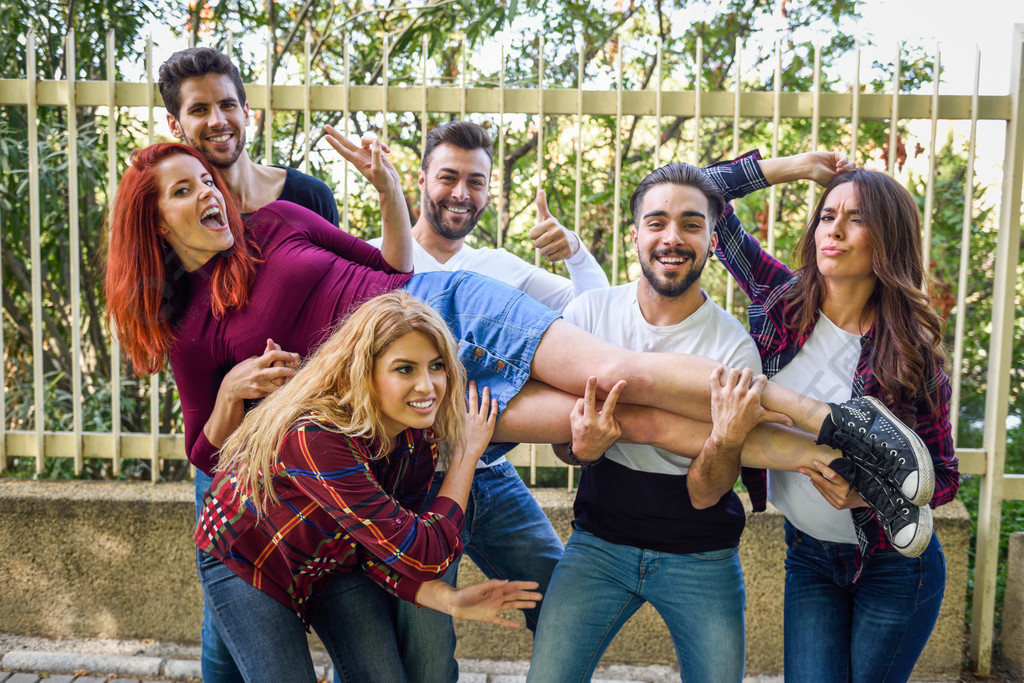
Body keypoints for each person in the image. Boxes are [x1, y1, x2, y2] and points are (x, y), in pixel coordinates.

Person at [103, 141, 934, 613]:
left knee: (619, 371)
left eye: (209, 182)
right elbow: (207, 452)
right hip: (416, 394)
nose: (211, 195)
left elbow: (394, 264)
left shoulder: (277, 221)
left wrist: (390, 191)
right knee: (630, 416)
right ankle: (834, 455)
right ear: (154, 217)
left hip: (447, 306)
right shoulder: (189, 329)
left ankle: (836, 426)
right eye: (185, 191)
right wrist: (229, 395)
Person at [195, 290, 542, 683]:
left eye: (437, 366)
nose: (427, 387)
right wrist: (465, 455)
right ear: (364, 371)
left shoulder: (412, 443)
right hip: (250, 556)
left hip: (333, 559)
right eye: (405, 369)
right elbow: (422, 552)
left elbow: (384, 547)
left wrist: (447, 599)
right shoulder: (317, 437)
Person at [367, 120, 608, 680]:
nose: (460, 193)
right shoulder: (377, 263)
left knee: (562, 603)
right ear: (422, 179)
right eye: (448, 176)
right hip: (410, 479)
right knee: (426, 656)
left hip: (491, 476)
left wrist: (573, 250)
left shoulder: (500, 269)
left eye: (475, 182)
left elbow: (596, 319)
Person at [711, 151, 957, 682]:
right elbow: (697, 191)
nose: (834, 230)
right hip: (809, 557)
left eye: (857, 218)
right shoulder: (780, 299)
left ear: (887, 239)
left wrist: (868, 493)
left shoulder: (911, 353)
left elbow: (944, 478)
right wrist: (797, 167)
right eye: (827, 215)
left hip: (896, 564)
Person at [527, 162, 771, 682]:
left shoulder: (732, 349)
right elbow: (563, 444)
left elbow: (708, 493)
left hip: (701, 556)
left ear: (710, 239)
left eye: (691, 223)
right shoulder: (589, 317)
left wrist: (726, 439)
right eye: (657, 222)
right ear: (635, 235)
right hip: (598, 545)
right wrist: (583, 449)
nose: (673, 238)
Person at [158, 46, 352, 683]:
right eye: (198, 110)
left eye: (226, 105)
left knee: (344, 595)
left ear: (249, 113)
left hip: (311, 438)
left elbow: (345, 297)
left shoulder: (304, 198)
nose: (216, 120)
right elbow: (179, 343)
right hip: (229, 444)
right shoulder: (175, 217)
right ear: (175, 127)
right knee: (230, 615)